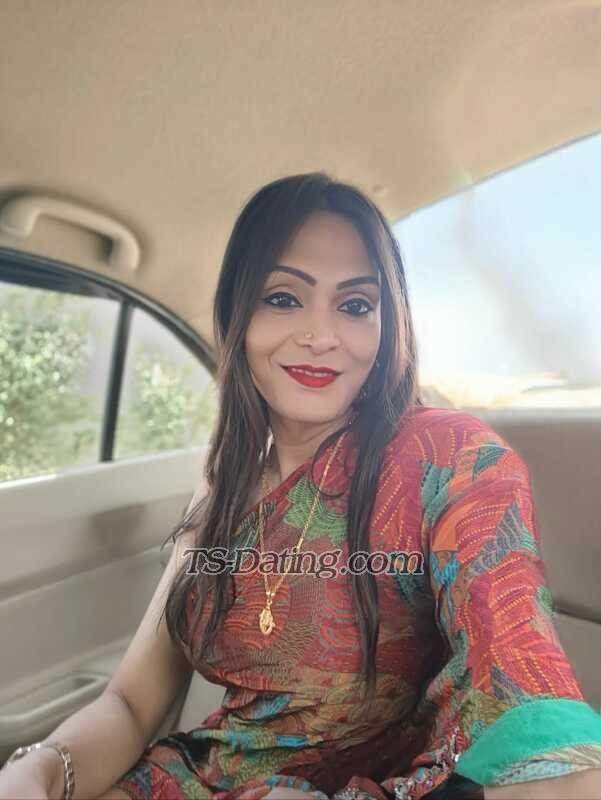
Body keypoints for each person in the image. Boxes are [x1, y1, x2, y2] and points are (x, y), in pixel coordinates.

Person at [1, 173, 600, 800]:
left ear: (387, 325)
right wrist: (43, 769)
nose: (321, 336)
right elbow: (130, 702)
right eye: (284, 298)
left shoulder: (450, 462)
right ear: (238, 314)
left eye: (355, 305)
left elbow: (531, 706)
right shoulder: (220, 489)